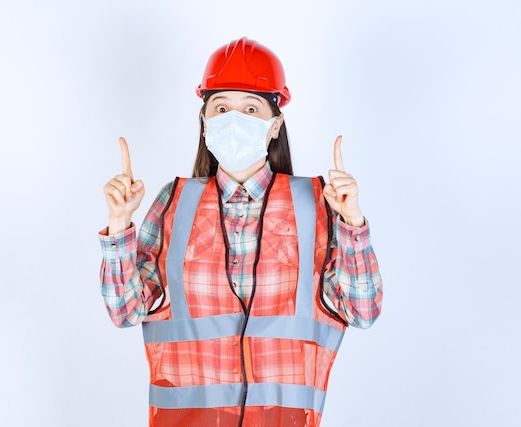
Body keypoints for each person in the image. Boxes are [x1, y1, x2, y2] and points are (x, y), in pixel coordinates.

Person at [99, 37, 383, 427]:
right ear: (204, 122)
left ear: (274, 124)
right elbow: (124, 311)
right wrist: (119, 225)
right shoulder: (175, 202)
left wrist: (352, 223)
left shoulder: (316, 203)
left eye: (251, 108)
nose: (234, 120)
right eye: (221, 108)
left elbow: (362, 311)